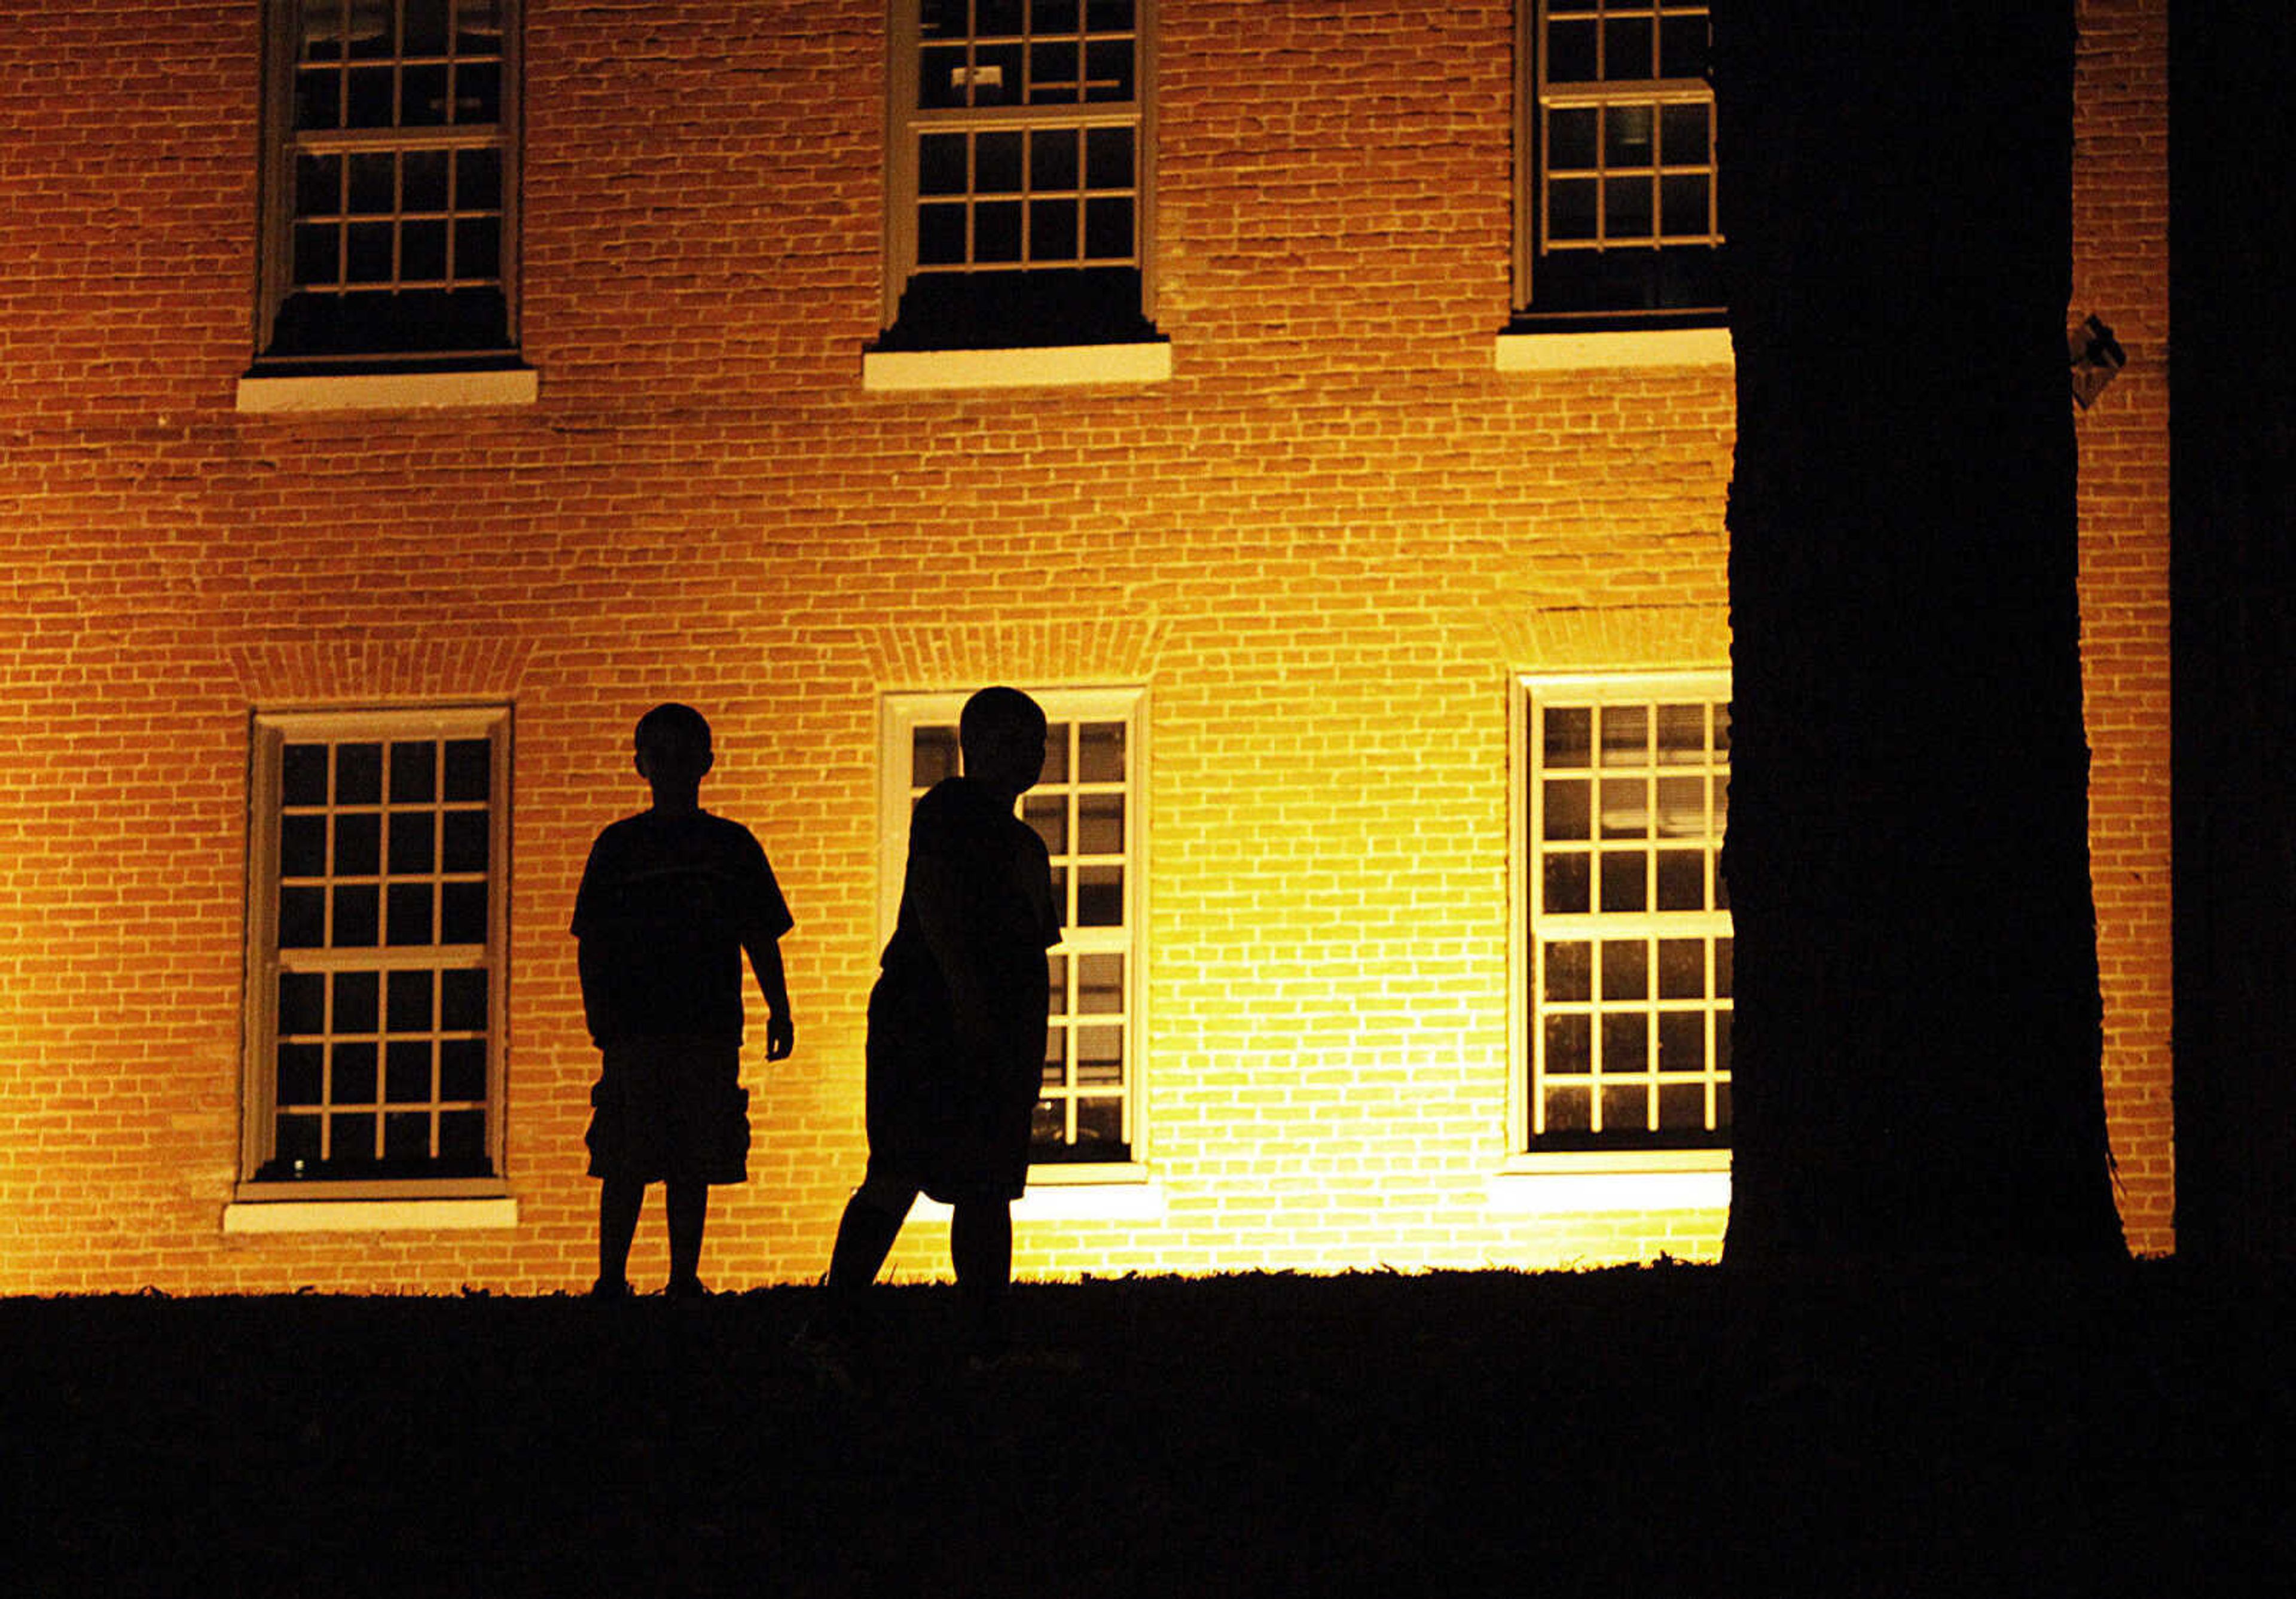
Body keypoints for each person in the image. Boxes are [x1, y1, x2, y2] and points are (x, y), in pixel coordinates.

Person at [819, 686, 1060, 1359]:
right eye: (1014, 740)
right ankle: (835, 1318)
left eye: (1037, 743)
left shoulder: (1027, 846)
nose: (1030, 756)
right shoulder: (953, 808)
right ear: (975, 745)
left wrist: (1020, 1044)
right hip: (926, 1018)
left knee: (987, 1183)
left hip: (996, 1029)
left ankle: (986, 1329)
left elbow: (1033, 951)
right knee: (898, 1168)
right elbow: (934, 898)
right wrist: (965, 995)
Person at [573, 702, 795, 1298]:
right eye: (661, 753)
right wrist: (601, 1012)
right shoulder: (636, 847)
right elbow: (592, 941)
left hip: (702, 1023)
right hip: (644, 1024)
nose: (671, 765)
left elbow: (758, 935)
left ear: (704, 762)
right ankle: (617, 1276)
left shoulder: (715, 847)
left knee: (685, 1156)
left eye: (680, 753)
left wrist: (780, 1006)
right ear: (642, 764)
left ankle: (676, 1276)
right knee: (628, 1152)